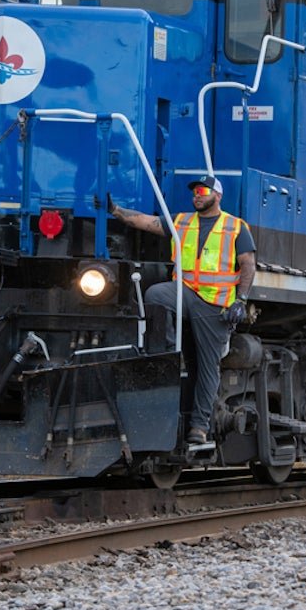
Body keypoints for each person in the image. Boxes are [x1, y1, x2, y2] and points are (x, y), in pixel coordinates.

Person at [109, 175, 256, 445]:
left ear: (217, 196)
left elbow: (248, 264)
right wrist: (116, 210)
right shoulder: (181, 221)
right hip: (184, 293)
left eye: (202, 190)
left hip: (214, 304)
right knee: (154, 293)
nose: (196, 195)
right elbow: (145, 221)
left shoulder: (235, 227)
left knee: (208, 366)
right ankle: (167, 350)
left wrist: (241, 300)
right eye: (194, 191)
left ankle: (199, 427)